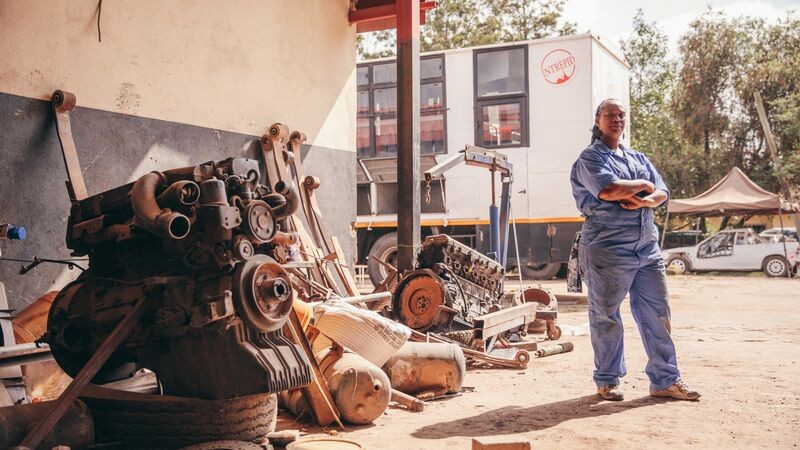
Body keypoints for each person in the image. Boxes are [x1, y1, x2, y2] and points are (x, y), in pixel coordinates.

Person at [570, 99, 700, 401]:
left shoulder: (637, 157)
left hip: (646, 248)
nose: (616, 119)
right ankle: (607, 380)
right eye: (609, 115)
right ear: (598, 120)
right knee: (606, 316)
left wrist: (644, 199)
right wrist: (642, 184)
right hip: (607, 247)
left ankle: (665, 380)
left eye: (620, 115)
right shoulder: (590, 158)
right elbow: (608, 190)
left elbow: (662, 192)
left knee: (657, 314)